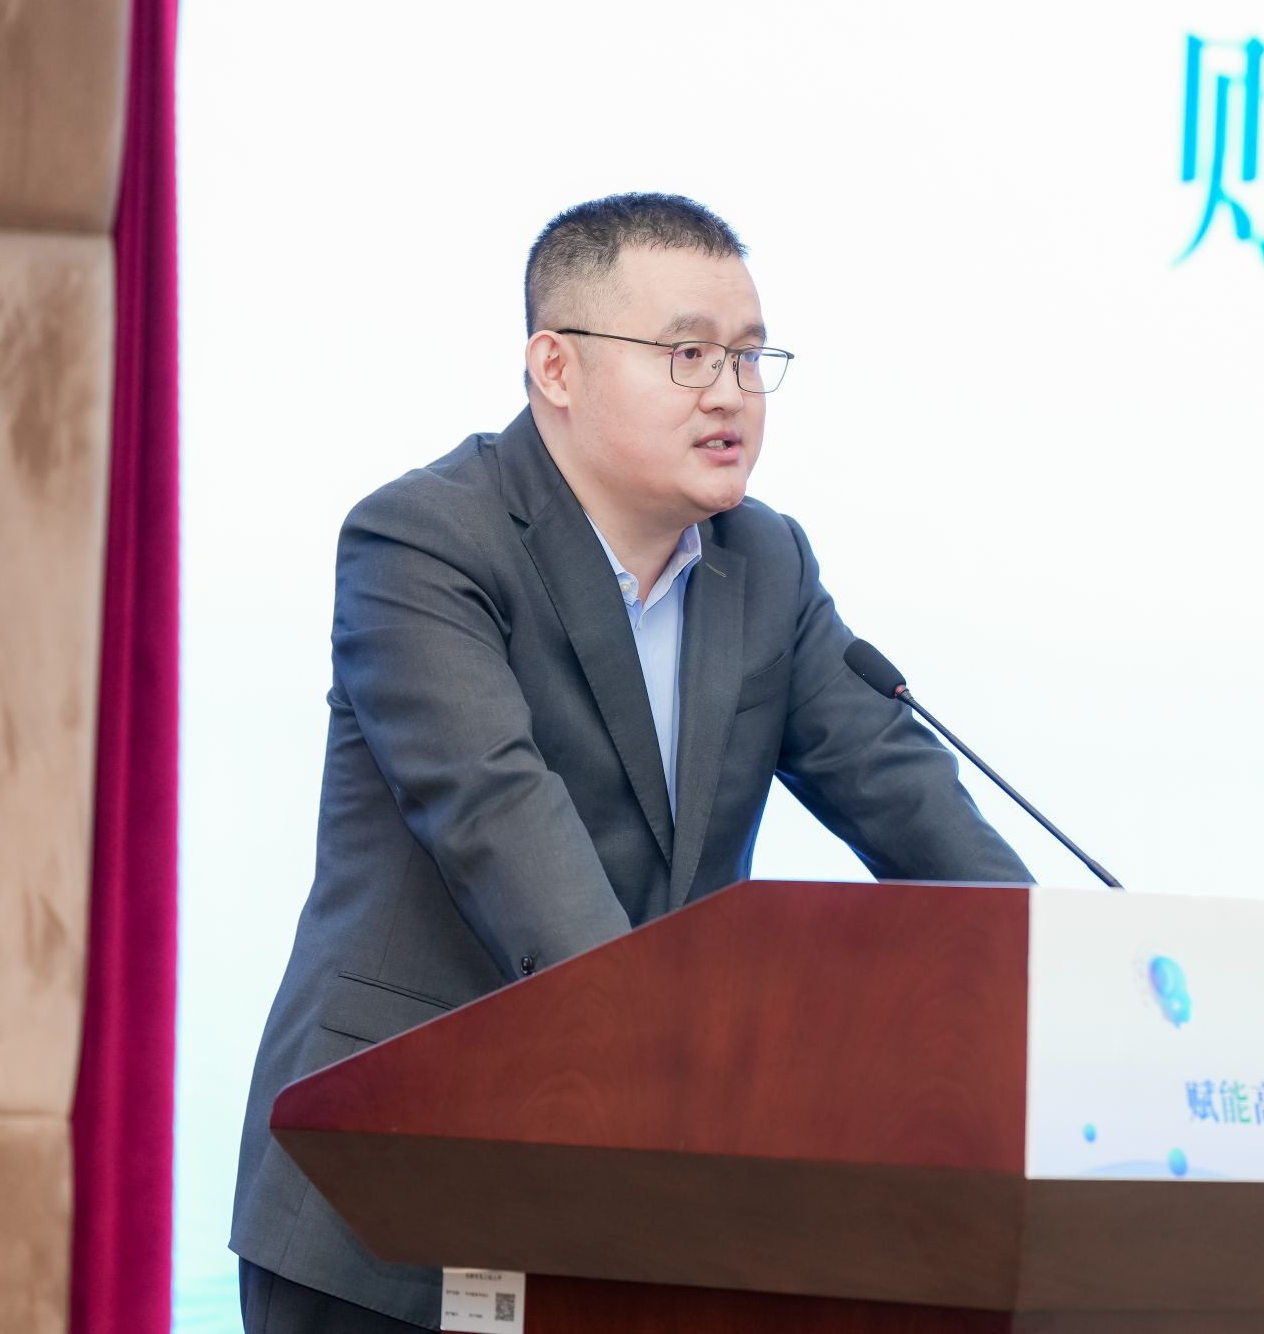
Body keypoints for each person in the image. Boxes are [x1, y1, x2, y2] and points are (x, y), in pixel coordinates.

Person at [229, 193, 1032, 1332]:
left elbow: (900, 790)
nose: (730, 393)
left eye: (750, 357)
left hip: (637, 1213)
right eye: (687, 354)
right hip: (399, 1186)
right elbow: (498, 818)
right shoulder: (425, 540)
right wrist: (708, 1100)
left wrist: (1066, 990)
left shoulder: (765, 562)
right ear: (555, 367)